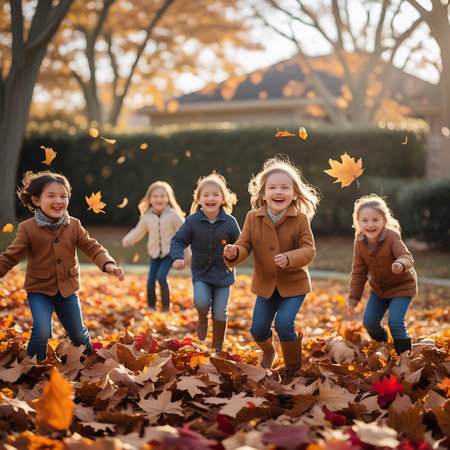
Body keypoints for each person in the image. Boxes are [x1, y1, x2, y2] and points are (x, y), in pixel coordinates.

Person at [0, 170, 124, 363]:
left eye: (63, 196)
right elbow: (11, 256)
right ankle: (33, 365)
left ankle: (89, 360)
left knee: (78, 333)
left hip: (68, 291)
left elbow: (91, 246)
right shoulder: (28, 228)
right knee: (41, 331)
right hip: (39, 290)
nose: (58, 200)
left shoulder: (73, 225)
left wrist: (107, 263)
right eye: (51, 196)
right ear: (36, 200)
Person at [224, 157, 319, 374]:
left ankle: (293, 370)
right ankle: (268, 351)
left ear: (295, 194)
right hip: (266, 285)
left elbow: (309, 250)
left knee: (284, 324)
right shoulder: (252, 218)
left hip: (294, 284)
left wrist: (290, 258)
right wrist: (234, 252)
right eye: (272, 187)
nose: (279, 192)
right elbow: (244, 245)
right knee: (258, 330)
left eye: (285, 188)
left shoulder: (301, 219)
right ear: (263, 193)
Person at [170, 172, 240, 352]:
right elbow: (178, 240)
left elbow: (241, 244)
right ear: (199, 199)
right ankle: (202, 318)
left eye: (215, 194)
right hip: (201, 273)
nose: (211, 198)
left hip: (224, 275)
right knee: (201, 302)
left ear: (223, 198)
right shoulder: (193, 221)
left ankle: (217, 345)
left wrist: (235, 252)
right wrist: (178, 257)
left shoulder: (230, 222)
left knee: (219, 312)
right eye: (206, 195)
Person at [347, 194, 417, 355]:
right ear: (358, 222)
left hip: (401, 287)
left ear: (384, 220)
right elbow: (358, 272)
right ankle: (384, 346)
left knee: (395, 322)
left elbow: (407, 257)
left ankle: (405, 359)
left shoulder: (392, 237)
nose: (370, 224)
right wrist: (353, 298)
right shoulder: (359, 243)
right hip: (379, 290)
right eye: (365, 221)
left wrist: (400, 264)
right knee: (369, 322)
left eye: (375, 220)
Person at [122, 181, 186, 312]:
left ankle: (166, 308)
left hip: (170, 253)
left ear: (168, 198)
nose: (159, 199)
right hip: (155, 254)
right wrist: (129, 239)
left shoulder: (173, 214)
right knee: (150, 280)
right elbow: (138, 231)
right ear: (150, 199)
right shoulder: (147, 216)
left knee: (161, 277)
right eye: (155, 196)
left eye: (162, 196)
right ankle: (151, 307)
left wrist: (188, 249)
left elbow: (184, 230)